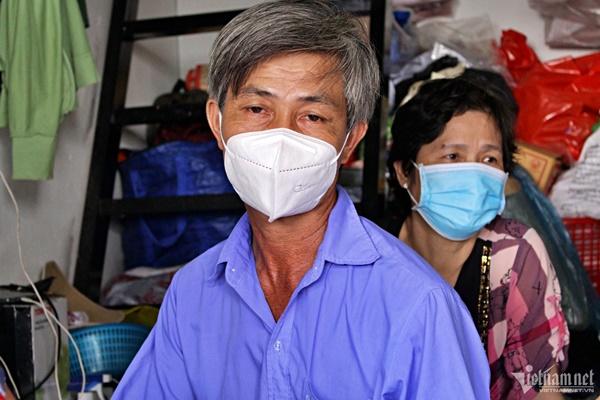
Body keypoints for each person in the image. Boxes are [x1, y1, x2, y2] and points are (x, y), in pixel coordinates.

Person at [113, 1, 490, 398]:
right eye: (257, 108)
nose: (281, 135)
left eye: (312, 116)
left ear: (350, 141)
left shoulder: (418, 304)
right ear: (217, 124)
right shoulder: (192, 293)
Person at [387, 66, 570, 399]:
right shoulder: (368, 249)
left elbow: (543, 388)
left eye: (489, 159)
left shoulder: (514, 254)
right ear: (404, 172)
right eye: (453, 156)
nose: (472, 173)